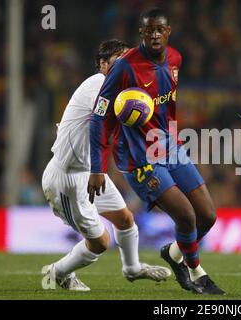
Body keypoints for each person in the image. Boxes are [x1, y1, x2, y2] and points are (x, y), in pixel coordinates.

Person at [88, 8, 225, 295]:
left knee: (207, 216)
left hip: (169, 147)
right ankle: (197, 273)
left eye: (159, 30)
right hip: (140, 159)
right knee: (186, 217)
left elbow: (167, 107)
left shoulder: (176, 58)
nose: (154, 35)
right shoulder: (124, 68)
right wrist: (97, 168)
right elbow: (100, 117)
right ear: (141, 33)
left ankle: (174, 253)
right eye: (149, 30)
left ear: (168, 32)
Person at [41, 39, 171, 291]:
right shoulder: (98, 85)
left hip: (90, 172)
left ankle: (132, 268)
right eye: (119, 60)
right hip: (68, 178)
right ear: (103, 63)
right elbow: (107, 122)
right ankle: (58, 272)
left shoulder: (118, 91)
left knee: (124, 218)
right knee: (101, 241)